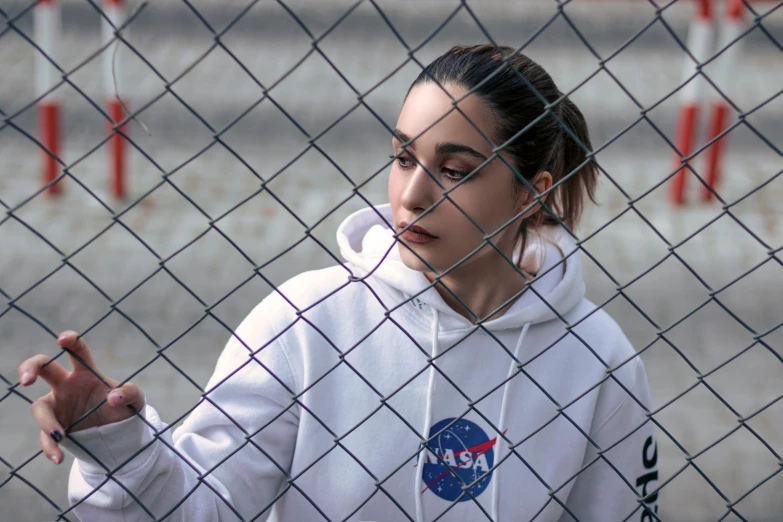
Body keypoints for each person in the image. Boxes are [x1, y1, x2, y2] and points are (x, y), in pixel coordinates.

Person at [18, 44, 659, 522]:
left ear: (530, 194)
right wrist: (118, 447)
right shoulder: (306, 320)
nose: (411, 194)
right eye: (403, 157)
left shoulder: (598, 361)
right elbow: (198, 509)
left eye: (456, 169)